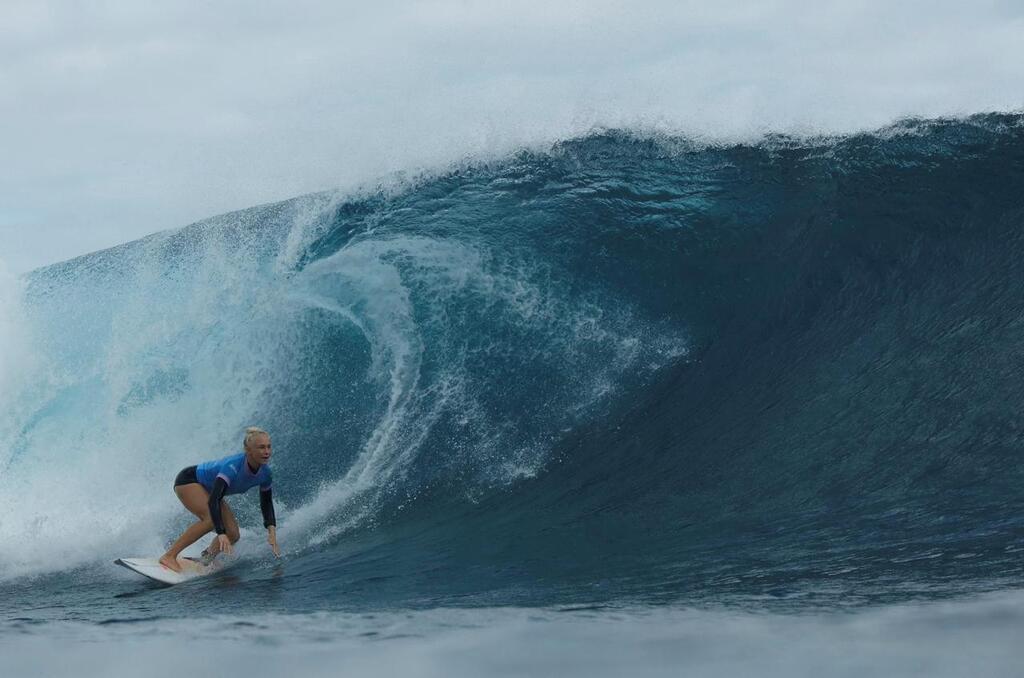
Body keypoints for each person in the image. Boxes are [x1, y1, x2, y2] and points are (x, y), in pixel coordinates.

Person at [159, 427, 280, 572]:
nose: (266, 451)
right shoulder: (233, 466)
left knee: (233, 534)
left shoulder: (266, 473)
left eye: (268, 447)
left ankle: (206, 558)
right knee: (210, 520)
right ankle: (169, 556)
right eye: (261, 447)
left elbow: (266, 502)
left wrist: (272, 533)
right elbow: (214, 499)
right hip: (189, 480)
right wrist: (220, 533)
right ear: (248, 450)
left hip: (209, 490)